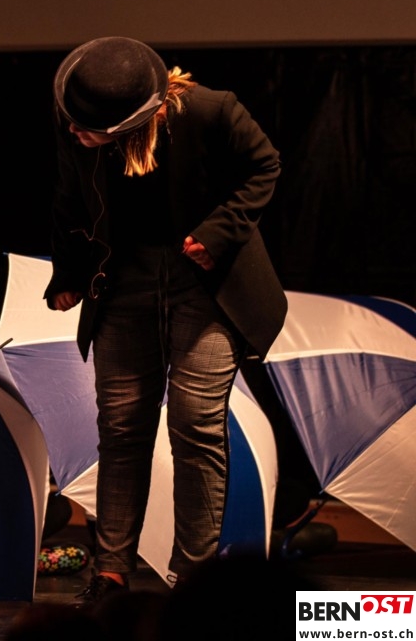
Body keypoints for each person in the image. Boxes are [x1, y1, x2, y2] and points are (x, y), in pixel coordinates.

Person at [42, 37, 287, 602]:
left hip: (205, 282)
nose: (75, 132)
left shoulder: (210, 111)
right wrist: (69, 274)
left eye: (89, 129)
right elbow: (69, 199)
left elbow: (265, 166)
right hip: (123, 278)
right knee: (122, 425)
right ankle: (110, 572)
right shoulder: (75, 120)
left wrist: (218, 232)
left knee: (194, 422)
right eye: (73, 121)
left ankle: (192, 580)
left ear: (134, 122)